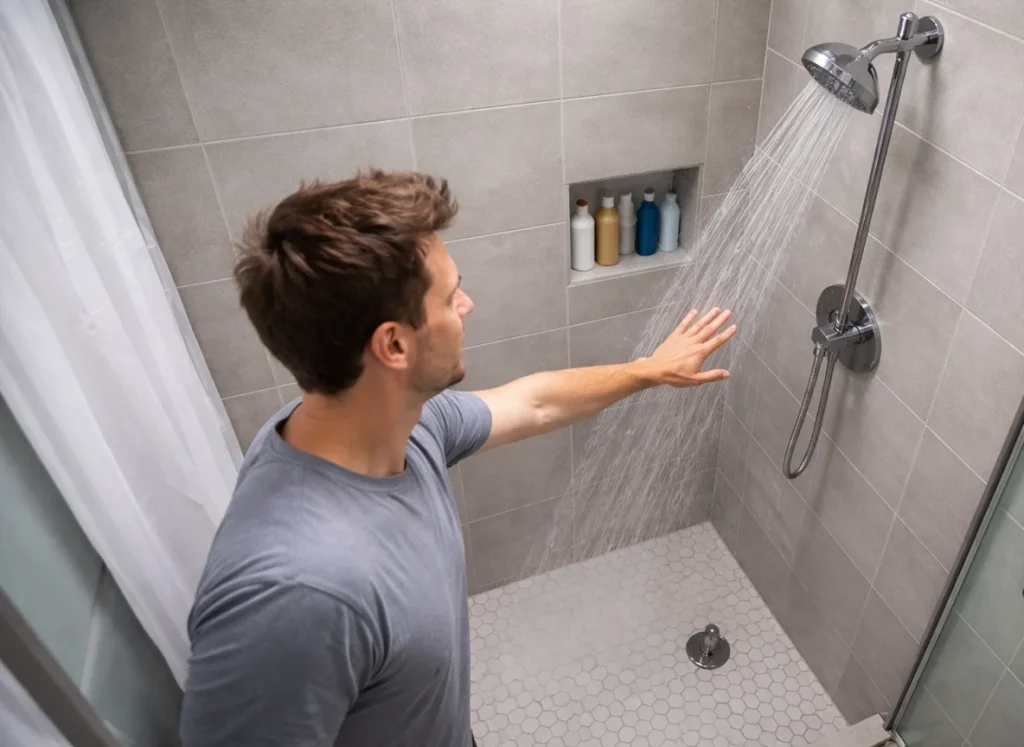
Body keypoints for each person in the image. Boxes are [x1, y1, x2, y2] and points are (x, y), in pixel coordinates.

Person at [178, 170, 735, 747]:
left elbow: (534, 403)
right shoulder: (297, 596)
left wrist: (648, 370)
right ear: (394, 344)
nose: (467, 305)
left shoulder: (396, 426)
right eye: (449, 298)